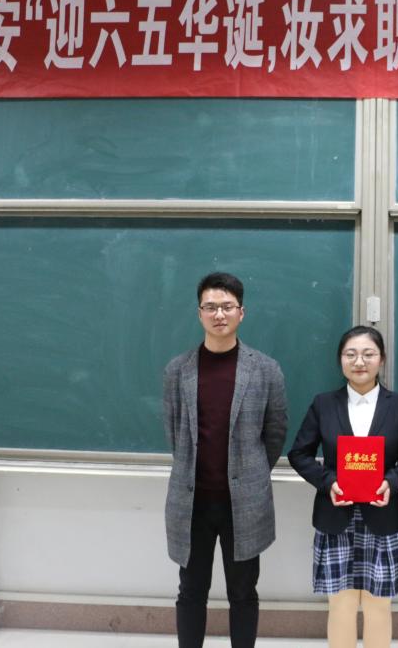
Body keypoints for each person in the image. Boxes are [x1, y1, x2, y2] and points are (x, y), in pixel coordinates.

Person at [162, 271, 288, 648]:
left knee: (243, 592)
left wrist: (249, 473)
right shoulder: (177, 370)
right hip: (193, 503)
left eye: (227, 307)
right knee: (191, 591)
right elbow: (174, 433)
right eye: (211, 307)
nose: (219, 314)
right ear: (199, 313)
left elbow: (275, 433)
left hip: (244, 504)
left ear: (241, 312)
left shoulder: (266, 369)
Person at [288, 326, 398, 648]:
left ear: (381, 359)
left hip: (383, 516)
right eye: (351, 354)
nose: (359, 362)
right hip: (336, 517)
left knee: (378, 606)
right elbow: (299, 454)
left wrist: (392, 482)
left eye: (368, 354)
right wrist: (328, 482)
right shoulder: (323, 404)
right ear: (340, 360)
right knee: (341, 606)